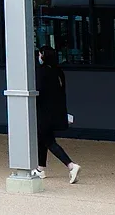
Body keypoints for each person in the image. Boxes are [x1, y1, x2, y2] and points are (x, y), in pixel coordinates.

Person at [34, 45, 81, 184]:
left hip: (44, 111)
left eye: (40, 54)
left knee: (48, 141)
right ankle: (40, 168)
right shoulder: (58, 71)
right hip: (56, 111)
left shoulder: (42, 71)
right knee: (43, 138)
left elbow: (39, 91)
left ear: (43, 55)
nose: (39, 57)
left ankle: (71, 165)